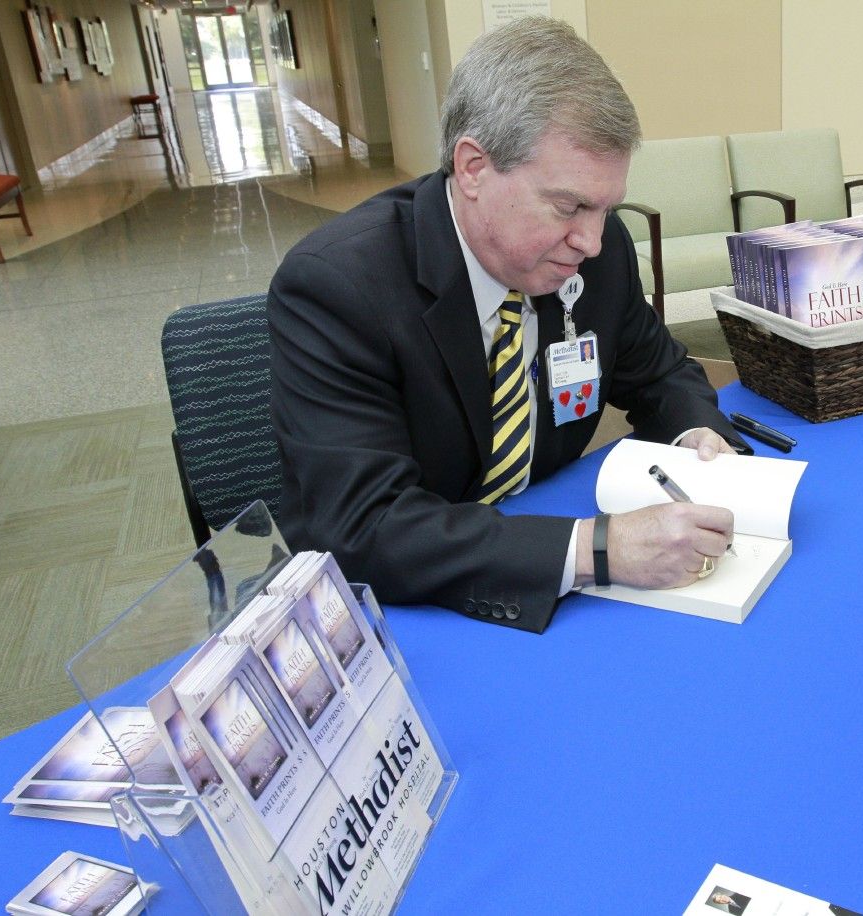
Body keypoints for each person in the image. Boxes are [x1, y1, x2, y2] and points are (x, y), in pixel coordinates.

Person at [268, 16, 745, 633]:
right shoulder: (337, 288)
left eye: (606, 208)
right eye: (569, 205)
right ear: (472, 168)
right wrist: (597, 550)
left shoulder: (595, 251)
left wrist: (700, 441)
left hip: (537, 542)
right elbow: (366, 527)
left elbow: (661, 372)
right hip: (403, 606)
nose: (592, 241)